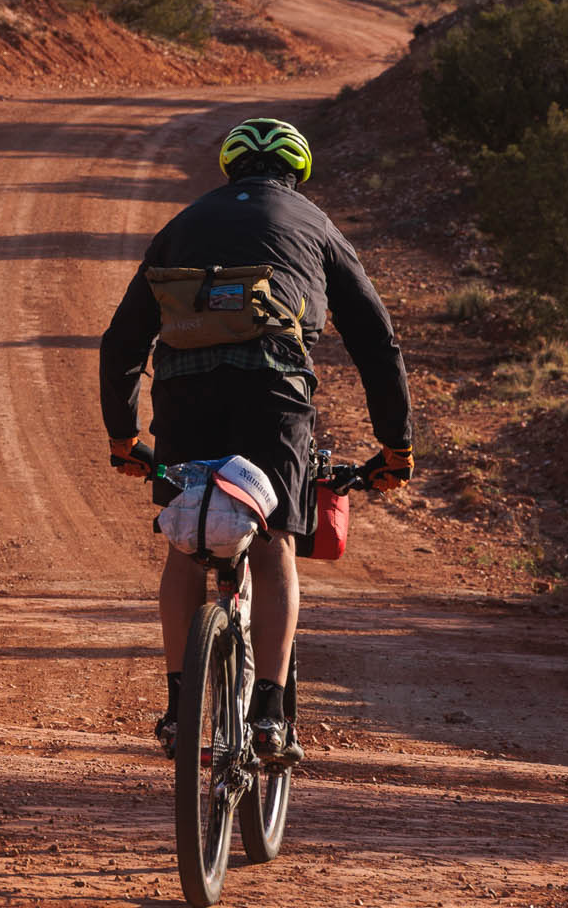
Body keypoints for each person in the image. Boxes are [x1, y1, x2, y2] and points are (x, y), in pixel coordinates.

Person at [97, 115, 413, 760]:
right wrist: (395, 446)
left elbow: (122, 341)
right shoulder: (313, 224)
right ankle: (269, 712)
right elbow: (376, 342)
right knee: (272, 544)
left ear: (229, 169)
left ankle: (181, 706)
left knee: (187, 541)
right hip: (273, 391)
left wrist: (123, 438)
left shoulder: (181, 225)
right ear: (296, 174)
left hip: (184, 390)